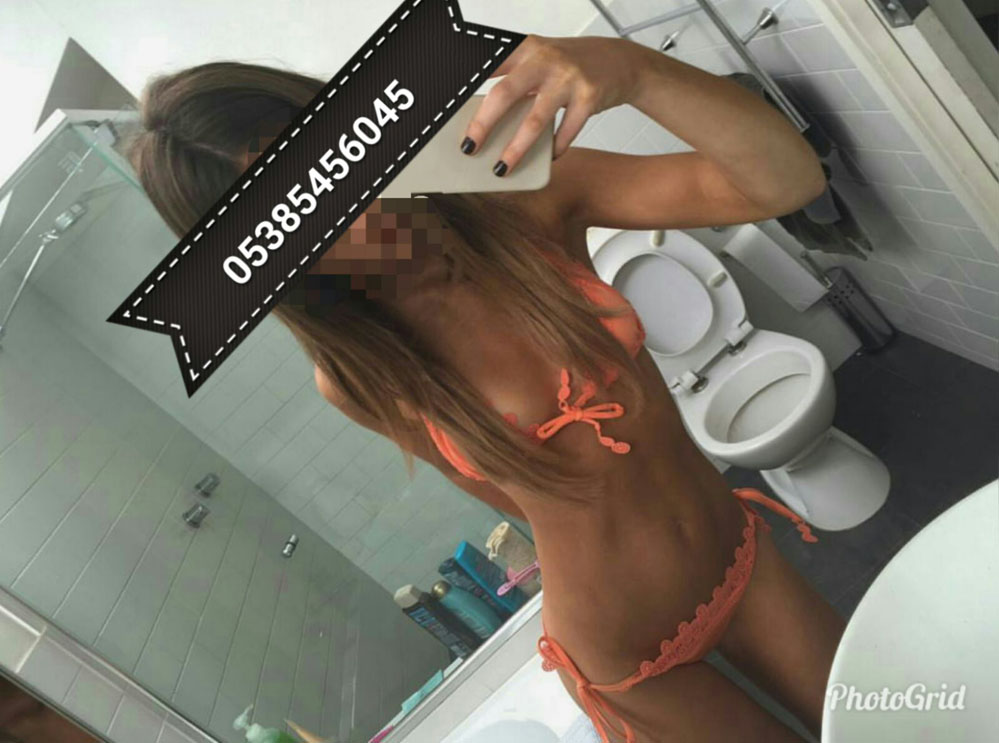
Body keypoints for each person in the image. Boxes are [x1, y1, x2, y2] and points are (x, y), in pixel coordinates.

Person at [127, 33, 844, 742]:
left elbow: (787, 182)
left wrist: (630, 70)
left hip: (734, 550)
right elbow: (510, 495)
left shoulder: (518, 197)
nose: (351, 214)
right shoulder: (356, 374)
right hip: (626, 650)